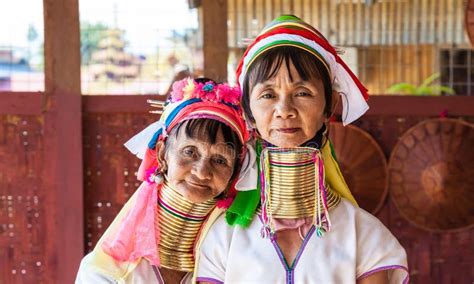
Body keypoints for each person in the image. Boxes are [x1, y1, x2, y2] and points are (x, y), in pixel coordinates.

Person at [194, 15, 408, 283]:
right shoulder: (223, 238)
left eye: (303, 93)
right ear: (248, 112)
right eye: (268, 95)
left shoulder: (364, 236)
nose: (284, 110)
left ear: (328, 107)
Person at [76, 77, 249, 283]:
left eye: (220, 160)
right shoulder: (103, 274)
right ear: (161, 154)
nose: (202, 172)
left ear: (234, 172)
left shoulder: (234, 263)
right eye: (190, 151)